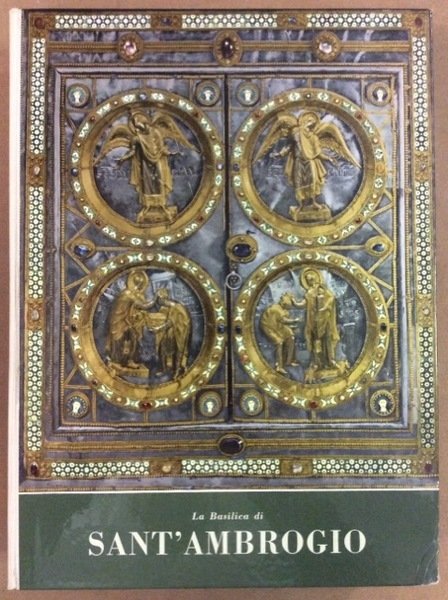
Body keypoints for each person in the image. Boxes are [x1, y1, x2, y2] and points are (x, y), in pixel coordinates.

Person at [106, 270, 155, 370]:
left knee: (133, 340)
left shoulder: (133, 293)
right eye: (139, 285)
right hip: (119, 322)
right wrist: (156, 298)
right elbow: (144, 305)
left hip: (128, 322)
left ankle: (129, 360)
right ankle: (115, 361)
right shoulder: (128, 294)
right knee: (119, 341)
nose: (141, 288)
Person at [301, 268, 340, 372]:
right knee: (315, 341)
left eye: (311, 279)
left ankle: (331, 360)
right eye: (308, 280)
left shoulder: (322, 288)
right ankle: (316, 363)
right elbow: (305, 304)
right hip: (314, 321)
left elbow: (331, 297)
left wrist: (325, 307)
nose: (310, 282)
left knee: (328, 339)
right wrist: (294, 303)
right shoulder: (309, 293)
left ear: (316, 278)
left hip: (325, 319)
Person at [152, 288, 191, 378]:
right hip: (172, 332)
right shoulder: (167, 308)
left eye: (158, 299)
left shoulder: (175, 307)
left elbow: (170, 322)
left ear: (162, 299)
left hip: (180, 332)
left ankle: (177, 371)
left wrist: (158, 328)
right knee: (162, 347)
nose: (157, 302)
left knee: (178, 351)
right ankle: (164, 369)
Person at [260, 292, 302, 374]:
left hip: (278, 326)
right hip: (268, 328)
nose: (289, 308)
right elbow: (284, 320)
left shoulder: (283, 309)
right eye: (288, 306)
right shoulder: (276, 309)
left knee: (291, 336)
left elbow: (282, 321)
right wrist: (295, 320)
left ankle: (289, 361)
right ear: (284, 304)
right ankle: (279, 366)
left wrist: (292, 327)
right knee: (279, 342)